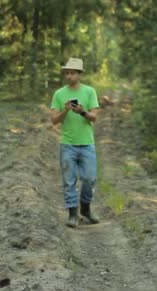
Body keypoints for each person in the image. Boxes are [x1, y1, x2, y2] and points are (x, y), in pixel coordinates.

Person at [50, 57, 100, 228]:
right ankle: (72, 214)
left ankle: (85, 208)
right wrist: (65, 109)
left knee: (89, 178)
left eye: (72, 73)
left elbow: (94, 117)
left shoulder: (89, 92)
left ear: (79, 74)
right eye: (67, 73)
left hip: (87, 143)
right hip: (67, 144)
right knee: (69, 181)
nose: (69, 76)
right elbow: (54, 120)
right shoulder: (59, 94)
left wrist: (82, 112)